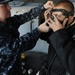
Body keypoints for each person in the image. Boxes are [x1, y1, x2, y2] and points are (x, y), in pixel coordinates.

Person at [0, 0, 55, 75]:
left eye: (8, 4)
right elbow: (16, 46)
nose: (9, 8)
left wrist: (43, 7)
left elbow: (25, 16)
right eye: (4, 6)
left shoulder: (7, 22)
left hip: (15, 68)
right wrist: (38, 30)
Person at [39, 0, 75, 75]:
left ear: (71, 17)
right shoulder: (61, 27)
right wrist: (46, 23)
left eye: (58, 16)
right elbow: (47, 39)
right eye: (53, 16)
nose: (55, 20)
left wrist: (59, 32)